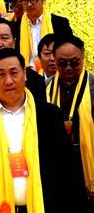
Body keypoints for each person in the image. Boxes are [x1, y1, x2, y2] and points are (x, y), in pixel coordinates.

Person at [0, 48, 77, 213]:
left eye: (14, 73)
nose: (9, 81)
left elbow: (67, 170)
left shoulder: (49, 115)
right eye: (1, 74)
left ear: (25, 74)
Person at [46, 36, 94, 209]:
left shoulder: (92, 85)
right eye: (62, 63)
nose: (68, 68)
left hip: (87, 161)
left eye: (74, 63)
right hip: (57, 163)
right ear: (54, 60)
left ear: (83, 58)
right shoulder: (45, 87)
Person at [16, 0, 72, 70]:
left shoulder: (59, 23)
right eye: (24, 0)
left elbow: (68, 51)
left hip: (54, 72)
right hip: (26, 74)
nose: (29, 4)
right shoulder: (16, 26)